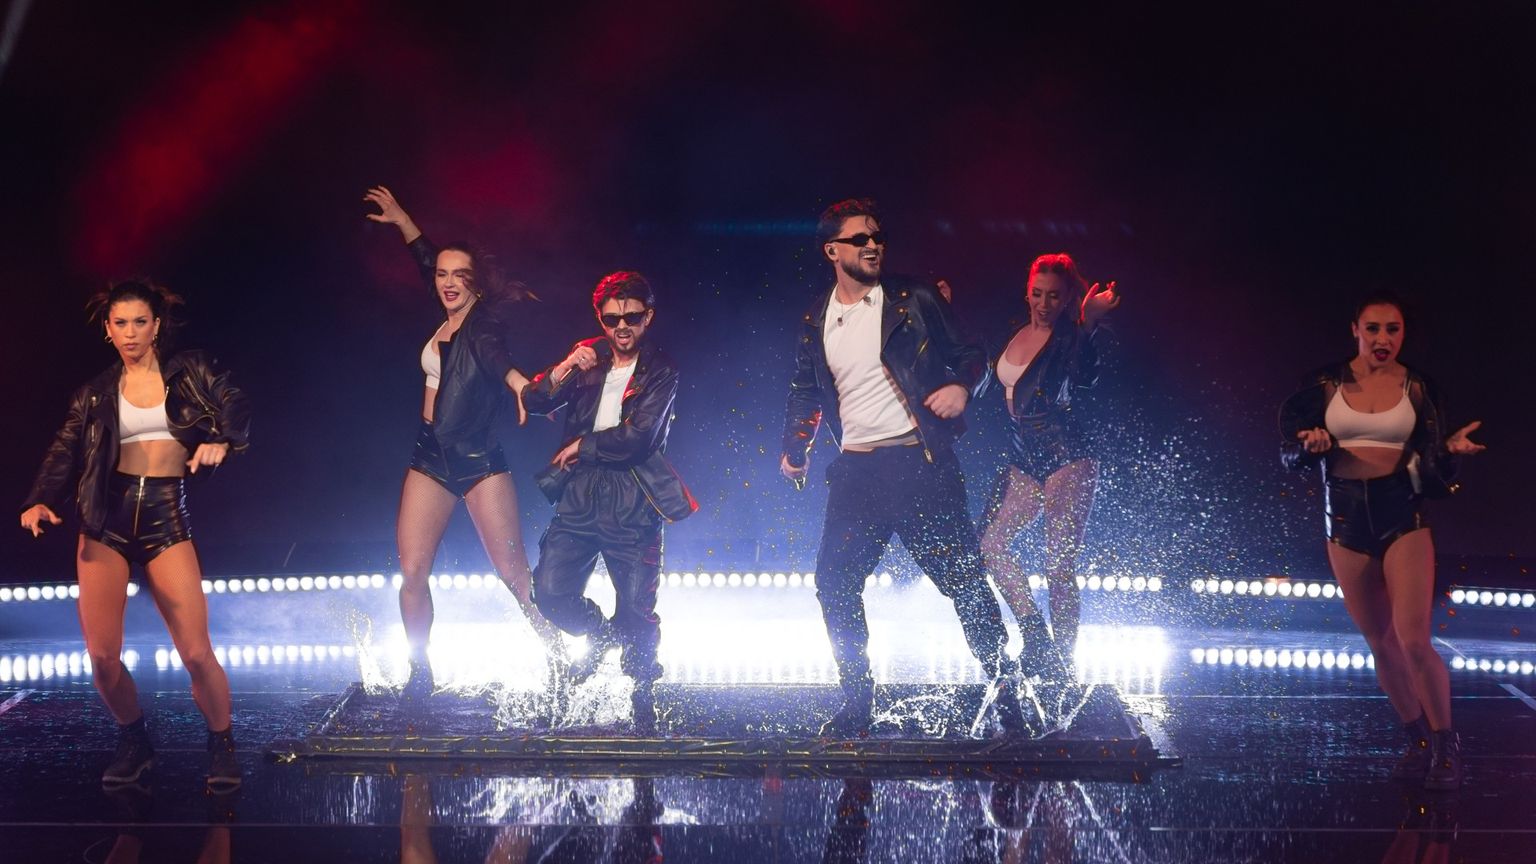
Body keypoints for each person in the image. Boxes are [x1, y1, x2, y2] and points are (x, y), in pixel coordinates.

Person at [780, 197, 1065, 738]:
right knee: (833, 584)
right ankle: (857, 701)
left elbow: (972, 355)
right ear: (832, 250)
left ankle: (1006, 689)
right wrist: (796, 445)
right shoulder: (817, 317)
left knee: (964, 583)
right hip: (857, 474)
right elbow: (805, 387)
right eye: (859, 239)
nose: (873, 245)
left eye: (877, 237)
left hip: (920, 467)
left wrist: (960, 386)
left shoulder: (915, 298)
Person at [20, 279, 250, 789]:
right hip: (106, 521)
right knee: (102, 658)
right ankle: (135, 740)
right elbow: (65, 449)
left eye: (139, 322)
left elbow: (234, 401)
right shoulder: (94, 392)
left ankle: (222, 745)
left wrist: (223, 439)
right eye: (120, 323)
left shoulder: (191, 369)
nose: (130, 333)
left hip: (166, 518)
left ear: (156, 326)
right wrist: (39, 498)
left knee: (195, 653)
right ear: (108, 329)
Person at [364, 186, 566, 699]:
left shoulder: (482, 327)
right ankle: (420, 671)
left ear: (476, 282)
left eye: (459, 275)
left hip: (477, 458)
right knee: (412, 572)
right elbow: (427, 259)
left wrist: (522, 385)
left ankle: (562, 659)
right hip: (429, 455)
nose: (448, 282)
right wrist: (403, 220)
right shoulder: (447, 313)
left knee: (514, 575)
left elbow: (498, 360)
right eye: (442, 275)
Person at [1279, 293, 1485, 790]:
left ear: (1403, 334)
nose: (1382, 339)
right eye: (1373, 328)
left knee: (1413, 639)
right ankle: (1417, 740)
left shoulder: (1420, 387)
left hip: (1402, 515)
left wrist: (1449, 452)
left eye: (1393, 329)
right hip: (1345, 518)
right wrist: (1310, 446)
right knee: (1381, 643)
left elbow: (1433, 468)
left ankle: (1446, 748)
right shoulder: (1323, 384)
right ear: (1355, 329)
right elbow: (1288, 454)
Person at [523, 271, 697, 734]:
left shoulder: (661, 369)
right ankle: (599, 637)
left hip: (633, 496)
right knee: (550, 591)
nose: (622, 327)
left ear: (648, 317)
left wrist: (584, 445)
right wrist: (564, 366)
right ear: (599, 318)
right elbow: (534, 401)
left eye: (632, 317)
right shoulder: (587, 357)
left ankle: (643, 695)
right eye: (611, 319)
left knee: (637, 611)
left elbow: (640, 438)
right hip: (580, 495)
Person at [978, 254, 1118, 666]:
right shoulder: (1012, 331)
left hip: (1066, 454)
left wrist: (1089, 323)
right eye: (1037, 293)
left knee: (1058, 564)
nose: (1043, 303)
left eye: (1053, 296)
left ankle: (1064, 662)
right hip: (1023, 456)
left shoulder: (1071, 338)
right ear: (1027, 292)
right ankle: (1035, 635)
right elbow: (984, 378)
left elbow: (1086, 378)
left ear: (1067, 298)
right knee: (990, 546)